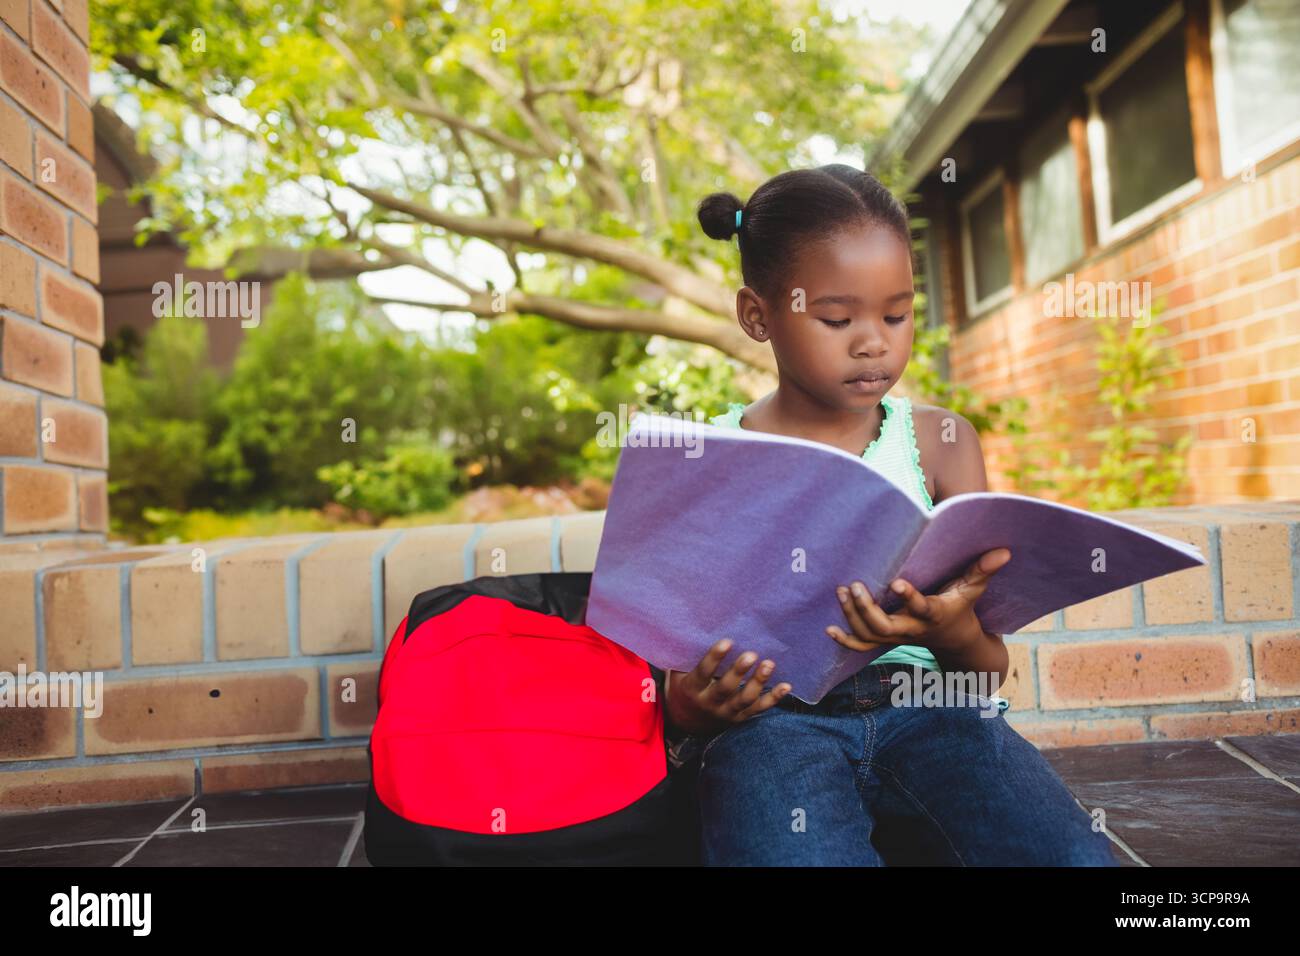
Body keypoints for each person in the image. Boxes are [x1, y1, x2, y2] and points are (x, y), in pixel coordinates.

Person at [661, 164, 1120, 867]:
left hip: (937, 710)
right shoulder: (708, 459)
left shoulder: (940, 442)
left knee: (1073, 857)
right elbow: (675, 688)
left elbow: (986, 670)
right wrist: (696, 707)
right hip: (774, 726)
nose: (873, 341)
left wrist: (954, 627)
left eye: (897, 314)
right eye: (837, 319)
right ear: (758, 315)